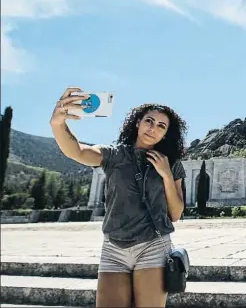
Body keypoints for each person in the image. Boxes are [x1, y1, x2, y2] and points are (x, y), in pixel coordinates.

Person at [50, 87, 187, 308]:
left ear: (166, 134)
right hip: (114, 247)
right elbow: (78, 151)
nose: (153, 129)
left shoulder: (171, 163)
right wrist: (58, 124)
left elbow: (176, 213)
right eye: (149, 121)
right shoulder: (114, 154)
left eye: (161, 126)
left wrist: (167, 176)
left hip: (152, 245)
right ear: (137, 123)